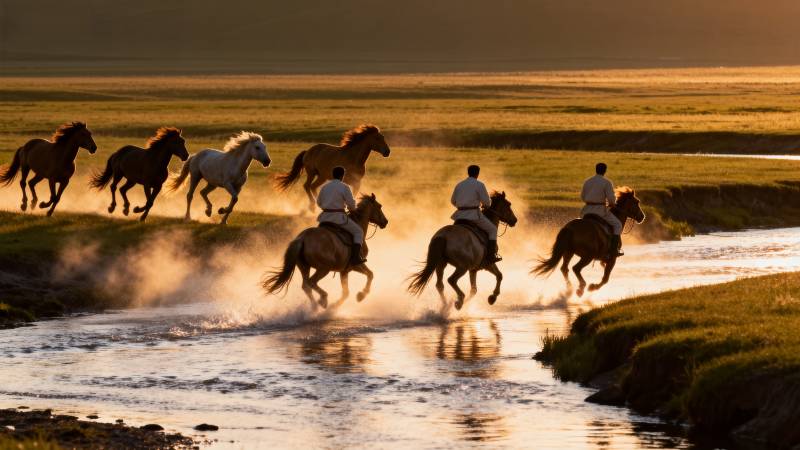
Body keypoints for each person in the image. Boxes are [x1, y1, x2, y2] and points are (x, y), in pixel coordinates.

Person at [451, 165, 501, 264]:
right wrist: (482, 205)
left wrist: (462, 205)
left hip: (459, 215)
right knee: (493, 230)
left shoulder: (459, 184)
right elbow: (487, 203)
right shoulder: (479, 185)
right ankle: (491, 256)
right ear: (478, 174)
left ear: (468, 173)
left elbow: (453, 201)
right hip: (473, 215)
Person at [317, 166, 366, 266]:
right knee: (358, 232)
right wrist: (351, 209)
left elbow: (319, 202)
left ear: (333, 175)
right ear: (342, 176)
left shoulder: (324, 187)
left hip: (324, 218)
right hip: (338, 218)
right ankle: (355, 258)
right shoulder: (344, 187)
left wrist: (327, 206)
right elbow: (352, 205)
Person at [581, 162, 623, 258]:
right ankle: (614, 250)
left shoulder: (587, 181)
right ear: (605, 171)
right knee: (618, 225)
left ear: (596, 169)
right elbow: (611, 199)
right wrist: (612, 204)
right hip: (600, 211)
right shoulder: (607, 182)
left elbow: (583, 197)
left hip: (586, 210)